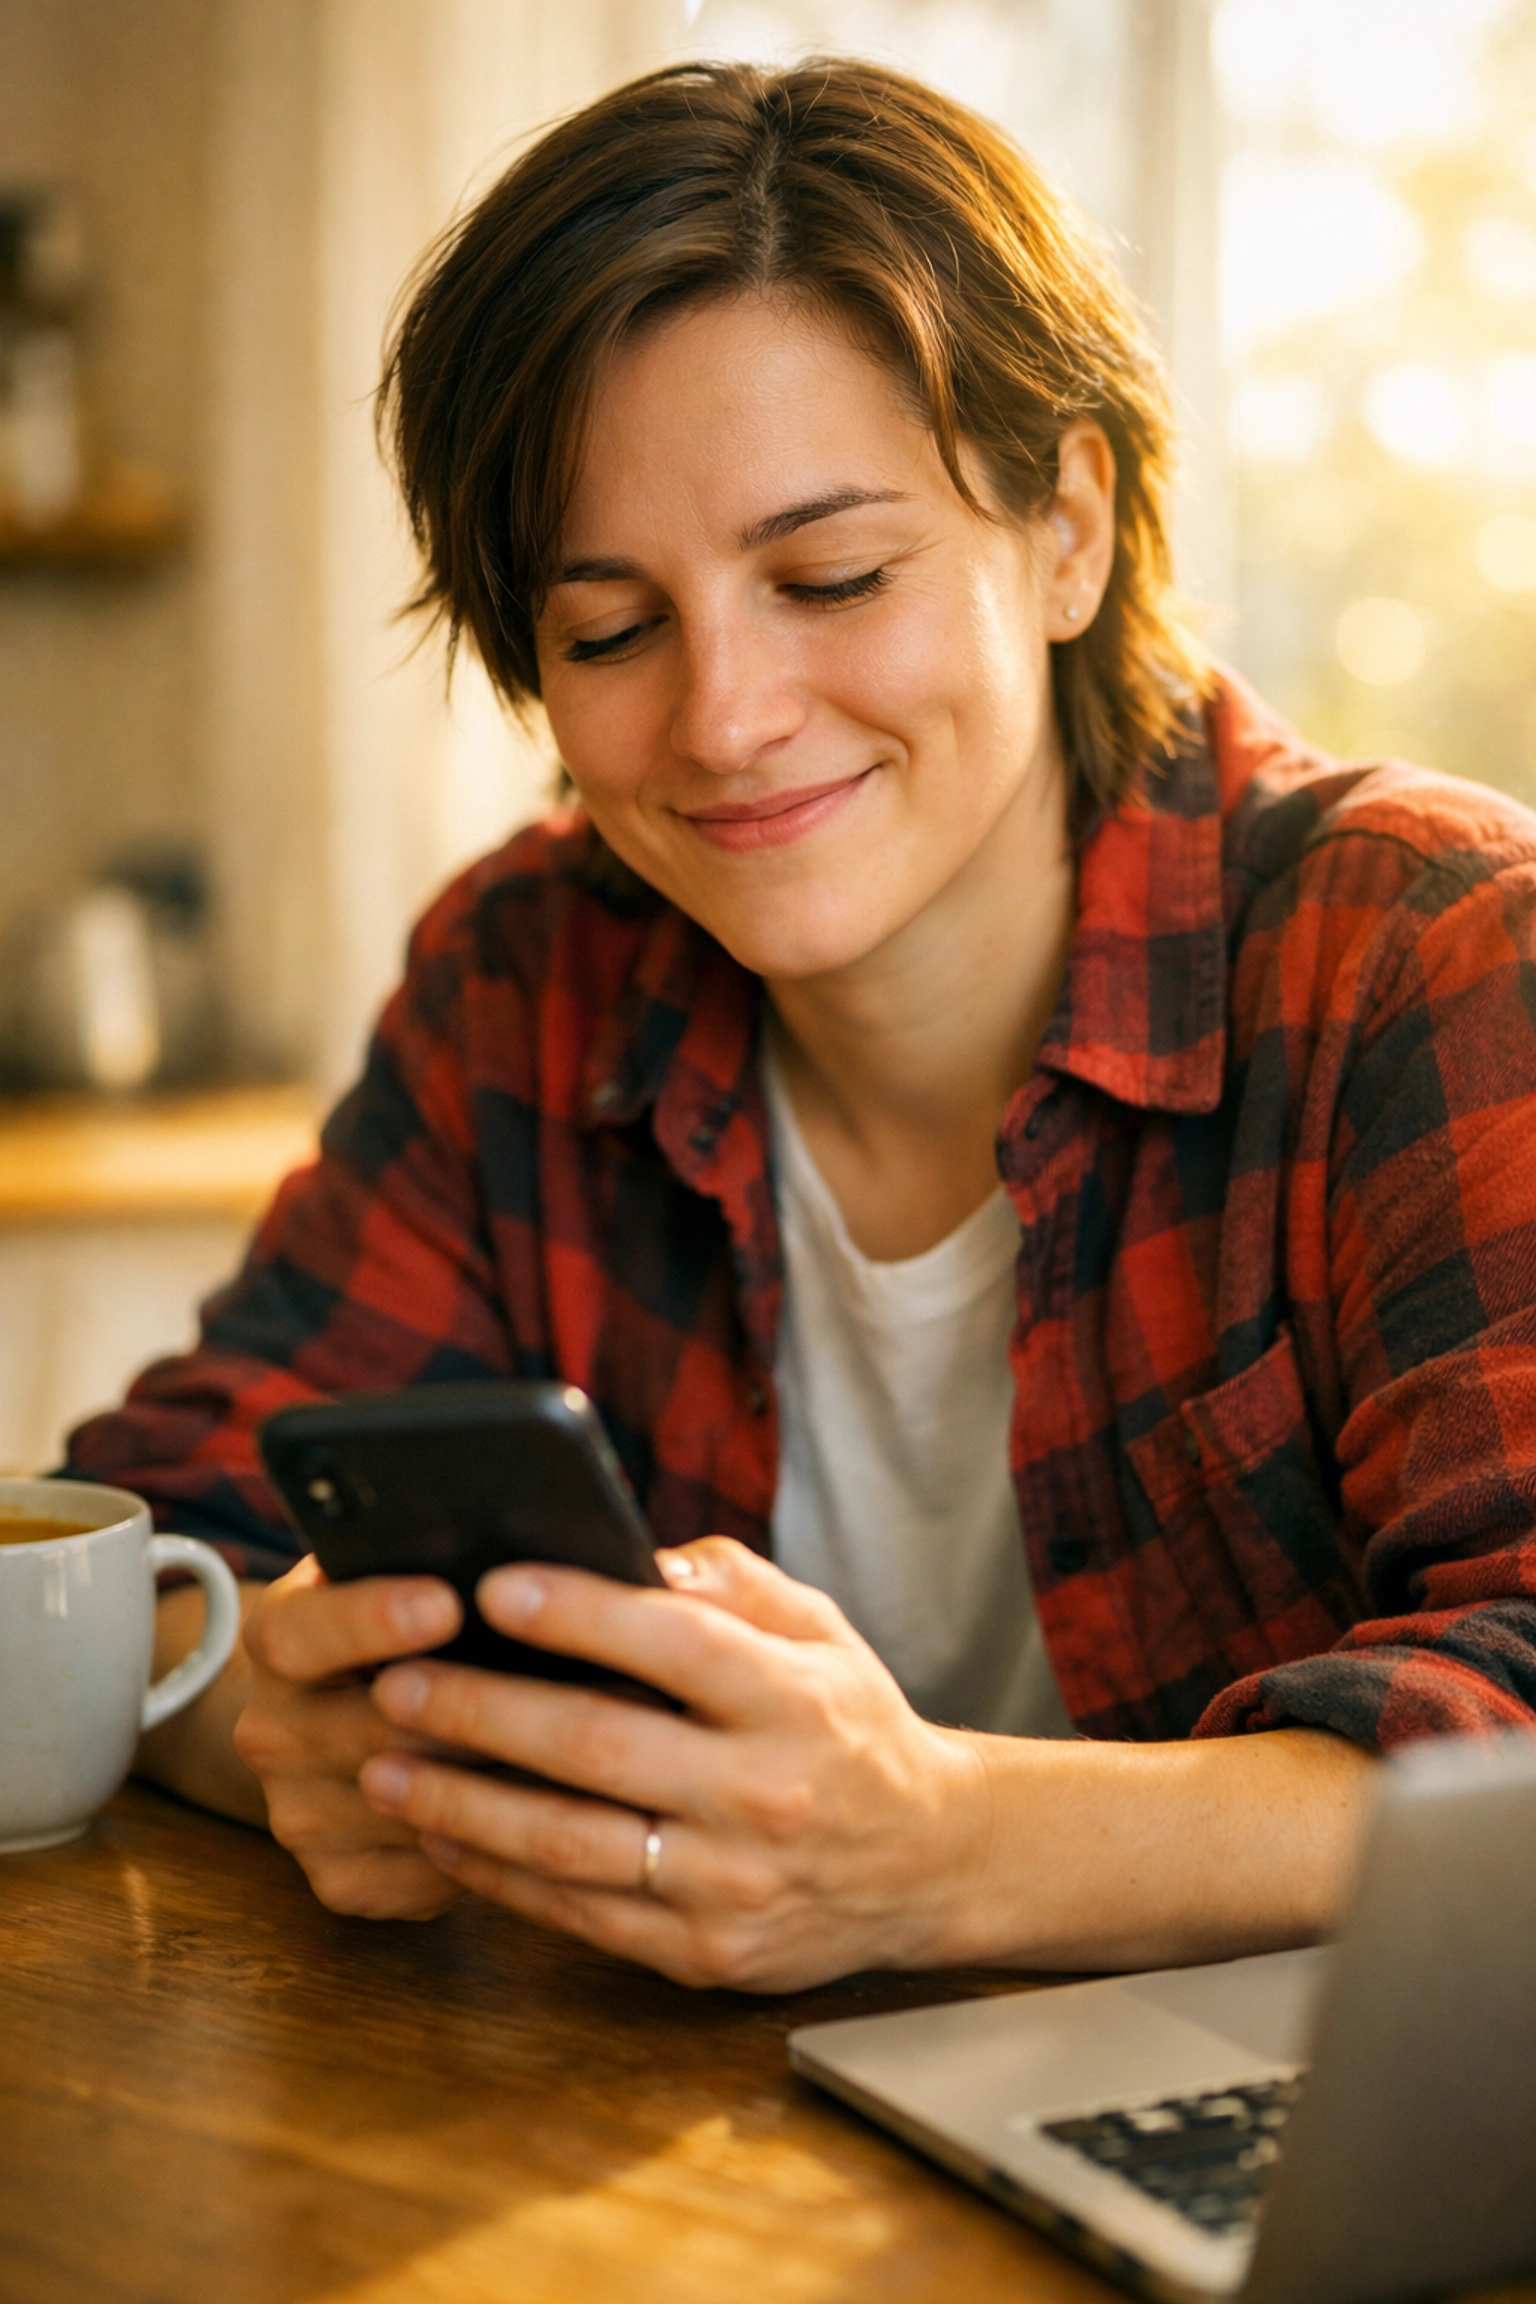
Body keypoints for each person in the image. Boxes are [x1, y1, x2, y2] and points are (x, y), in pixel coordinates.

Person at [72, 58, 1536, 1992]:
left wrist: (934, 1851)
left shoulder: (1426, 954)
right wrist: (292, 1727)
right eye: (609, 631)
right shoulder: (533, 975)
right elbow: (143, 1547)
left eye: (829, 576)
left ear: (1070, 528)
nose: (726, 717)